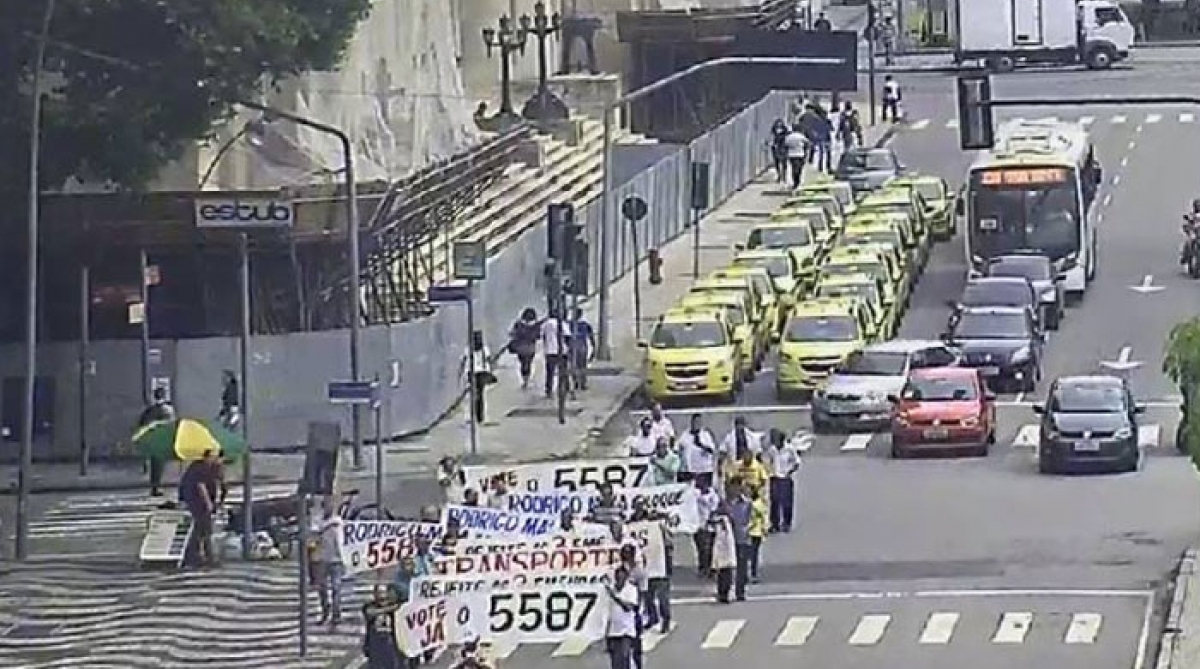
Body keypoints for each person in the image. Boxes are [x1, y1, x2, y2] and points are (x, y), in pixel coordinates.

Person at [630, 501, 673, 634]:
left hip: (659, 564)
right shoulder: (631, 524)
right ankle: (652, 617)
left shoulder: (657, 524)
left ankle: (665, 620)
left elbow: (669, 541)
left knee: (662, 597)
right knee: (647, 597)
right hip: (643, 566)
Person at [179, 450, 217, 568]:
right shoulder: (202, 468)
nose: (215, 459)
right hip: (198, 504)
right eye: (213, 456)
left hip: (193, 503)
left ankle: (199, 556)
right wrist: (209, 503)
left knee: (200, 530)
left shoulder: (197, 467)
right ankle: (201, 557)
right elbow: (201, 486)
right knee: (201, 530)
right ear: (207, 457)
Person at [312, 495, 345, 625]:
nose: (328, 508)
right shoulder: (317, 521)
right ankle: (325, 612)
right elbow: (313, 536)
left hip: (337, 560)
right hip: (322, 560)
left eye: (330, 505)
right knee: (322, 589)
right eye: (326, 505)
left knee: (336, 588)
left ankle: (336, 614)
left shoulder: (339, 522)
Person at [137, 387, 175, 497]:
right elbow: (171, 425)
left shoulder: (149, 410)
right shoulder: (168, 410)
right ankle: (156, 486)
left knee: (155, 464)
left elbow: (142, 424)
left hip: (152, 440)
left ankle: (155, 486)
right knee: (159, 465)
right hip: (162, 440)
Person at [722, 478, 754, 602]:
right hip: (727, 538)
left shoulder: (747, 503)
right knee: (726, 566)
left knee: (742, 567)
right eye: (733, 487)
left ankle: (740, 591)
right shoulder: (723, 503)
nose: (735, 489)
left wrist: (748, 530)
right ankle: (724, 591)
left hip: (742, 537)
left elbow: (750, 518)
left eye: (738, 487)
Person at [605, 565, 641, 669]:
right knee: (616, 663)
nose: (619, 580)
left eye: (622, 577)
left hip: (626, 632)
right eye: (617, 577)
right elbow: (607, 614)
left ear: (626, 577)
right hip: (613, 632)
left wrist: (615, 596)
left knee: (625, 658)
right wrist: (606, 634)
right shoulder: (611, 590)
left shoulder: (631, 589)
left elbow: (628, 607)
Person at [765, 429, 801, 532]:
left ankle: (786, 523)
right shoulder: (772, 449)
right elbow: (768, 461)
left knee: (786, 503)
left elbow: (797, 462)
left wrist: (789, 471)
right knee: (774, 502)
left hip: (785, 478)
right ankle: (774, 524)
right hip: (775, 477)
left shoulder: (789, 449)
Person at [362, 585, 403, 669]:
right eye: (379, 592)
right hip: (375, 646)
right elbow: (370, 612)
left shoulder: (394, 606)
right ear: (375, 594)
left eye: (383, 592)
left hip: (391, 646)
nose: (381, 595)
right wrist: (392, 608)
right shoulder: (370, 606)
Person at [461, 330, 495, 423]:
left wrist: (461, 373)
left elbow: (463, 361)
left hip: (472, 373)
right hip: (481, 373)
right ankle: (480, 416)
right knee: (481, 395)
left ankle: (473, 415)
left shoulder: (468, 349)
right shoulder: (484, 349)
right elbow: (489, 360)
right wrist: (491, 371)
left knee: (473, 395)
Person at [679, 413, 718, 488]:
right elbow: (679, 448)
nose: (697, 424)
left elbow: (712, 450)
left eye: (699, 422)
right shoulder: (685, 435)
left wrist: (701, 445)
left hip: (705, 470)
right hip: (691, 470)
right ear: (692, 422)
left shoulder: (706, 434)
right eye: (696, 421)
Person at [692, 477, 721, 578]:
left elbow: (715, 508)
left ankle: (710, 568)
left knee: (710, 548)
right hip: (698, 525)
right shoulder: (695, 493)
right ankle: (703, 567)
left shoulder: (713, 495)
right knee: (701, 548)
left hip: (711, 525)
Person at [540, 308, 571, 398]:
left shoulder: (545, 324)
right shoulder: (562, 324)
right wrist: (568, 348)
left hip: (549, 351)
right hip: (561, 351)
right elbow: (567, 336)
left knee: (550, 372)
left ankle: (549, 390)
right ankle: (565, 388)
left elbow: (542, 336)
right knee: (563, 371)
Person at [508, 307, 541, 389]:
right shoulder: (536, 325)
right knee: (528, 363)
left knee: (523, 364)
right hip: (530, 348)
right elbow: (538, 336)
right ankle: (526, 380)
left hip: (520, 348)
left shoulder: (518, 324)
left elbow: (511, 334)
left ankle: (524, 380)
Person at [570, 307, 596, 391]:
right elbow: (591, 337)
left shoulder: (570, 324)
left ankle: (576, 382)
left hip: (573, 346)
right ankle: (582, 383)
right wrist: (594, 347)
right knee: (582, 366)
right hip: (582, 347)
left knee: (574, 365)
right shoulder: (586, 325)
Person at [748, 486, 769, 583]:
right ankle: (752, 573)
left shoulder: (755, 505)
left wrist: (764, 528)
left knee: (752, 554)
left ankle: (753, 573)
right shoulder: (760, 504)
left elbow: (764, 517)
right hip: (754, 532)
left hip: (754, 532)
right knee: (753, 554)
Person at [783, 124, 809, 189]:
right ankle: (797, 181)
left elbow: (785, 145)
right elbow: (807, 142)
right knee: (799, 169)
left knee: (793, 168)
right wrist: (805, 150)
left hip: (792, 155)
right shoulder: (801, 136)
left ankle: (795, 182)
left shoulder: (789, 137)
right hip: (800, 154)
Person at [769, 118, 790, 183]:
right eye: (777, 126)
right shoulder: (773, 132)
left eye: (780, 125)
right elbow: (772, 139)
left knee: (784, 163)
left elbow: (787, 138)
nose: (778, 128)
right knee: (777, 163)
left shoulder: (785, 132)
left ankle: (784, 177)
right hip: (776, 148)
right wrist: (772, 144)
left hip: (783, 148)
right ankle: (779, 176)